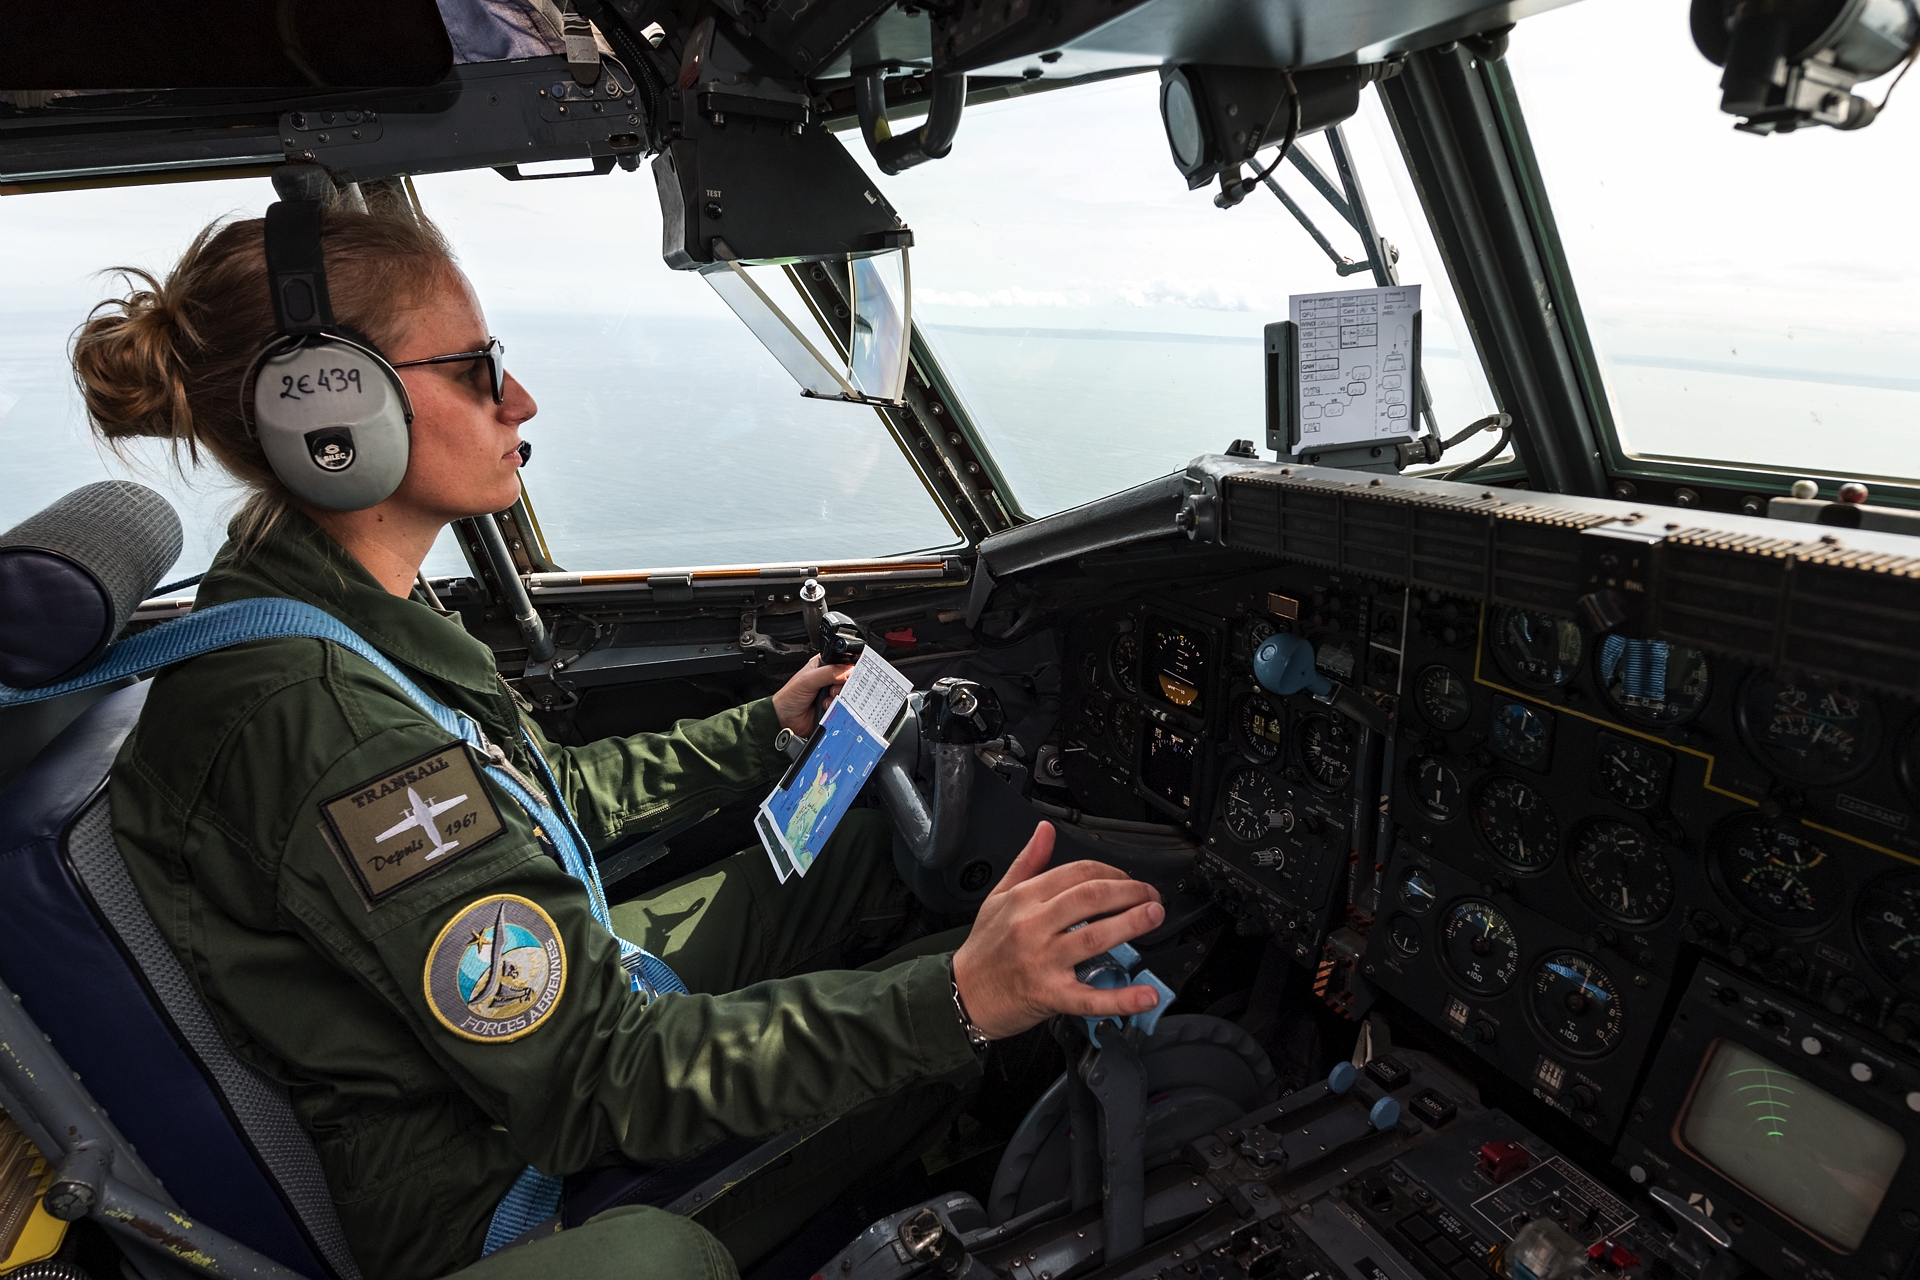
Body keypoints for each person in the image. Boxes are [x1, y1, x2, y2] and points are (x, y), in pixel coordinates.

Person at [72, 201, 1167, 1280]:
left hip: (496, 1052)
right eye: (475, 368)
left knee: (862, 855)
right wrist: (960, 998)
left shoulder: (318, 607)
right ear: (336, 411)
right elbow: (602, 1076)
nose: (521, 399)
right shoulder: (329, 725)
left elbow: (533, 801)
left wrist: (757, 732)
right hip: (490, 1175)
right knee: (962, 992)